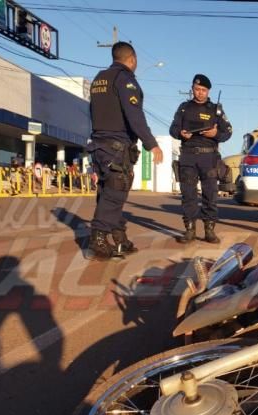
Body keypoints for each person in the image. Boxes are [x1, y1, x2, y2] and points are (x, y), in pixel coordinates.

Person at [86, 41, 163, 260]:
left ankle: (119, 237)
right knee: (115, 193)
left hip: (99, 145)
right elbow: (134, 114)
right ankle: (98, 239)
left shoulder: (99, 78)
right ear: (133, 59)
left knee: (109, 193)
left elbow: (92, 110)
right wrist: (151, 143)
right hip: (116, 146)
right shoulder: (125, 79)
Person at [169, 74, 232, 244]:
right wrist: (180, 133)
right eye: (197, 89)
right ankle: (189, 229)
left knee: (210, 194)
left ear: (208, 91)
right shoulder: (184, 108)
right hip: (188, 155)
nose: (200, 93)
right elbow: (173, 129)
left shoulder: (215, 109)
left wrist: (215, 134)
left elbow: (228, 132)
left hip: (209, 156)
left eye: (203, 90)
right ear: (192, 89)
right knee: (188, 194)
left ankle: (209, 230)